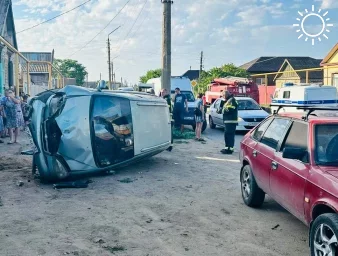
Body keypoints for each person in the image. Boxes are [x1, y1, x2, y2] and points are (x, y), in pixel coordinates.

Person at [218, 90, 238, 155]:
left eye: (223, 95)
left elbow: (231, 109)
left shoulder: (232, 100)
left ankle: (230, 149)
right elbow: (224, 109)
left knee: (230, 135)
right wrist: (220, 108)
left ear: (226, 94)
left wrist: (222, 110)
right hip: (227, 121)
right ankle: (227, 148)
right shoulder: (227, 101)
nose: (223, 97)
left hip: (231, 121)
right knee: (227, 135)